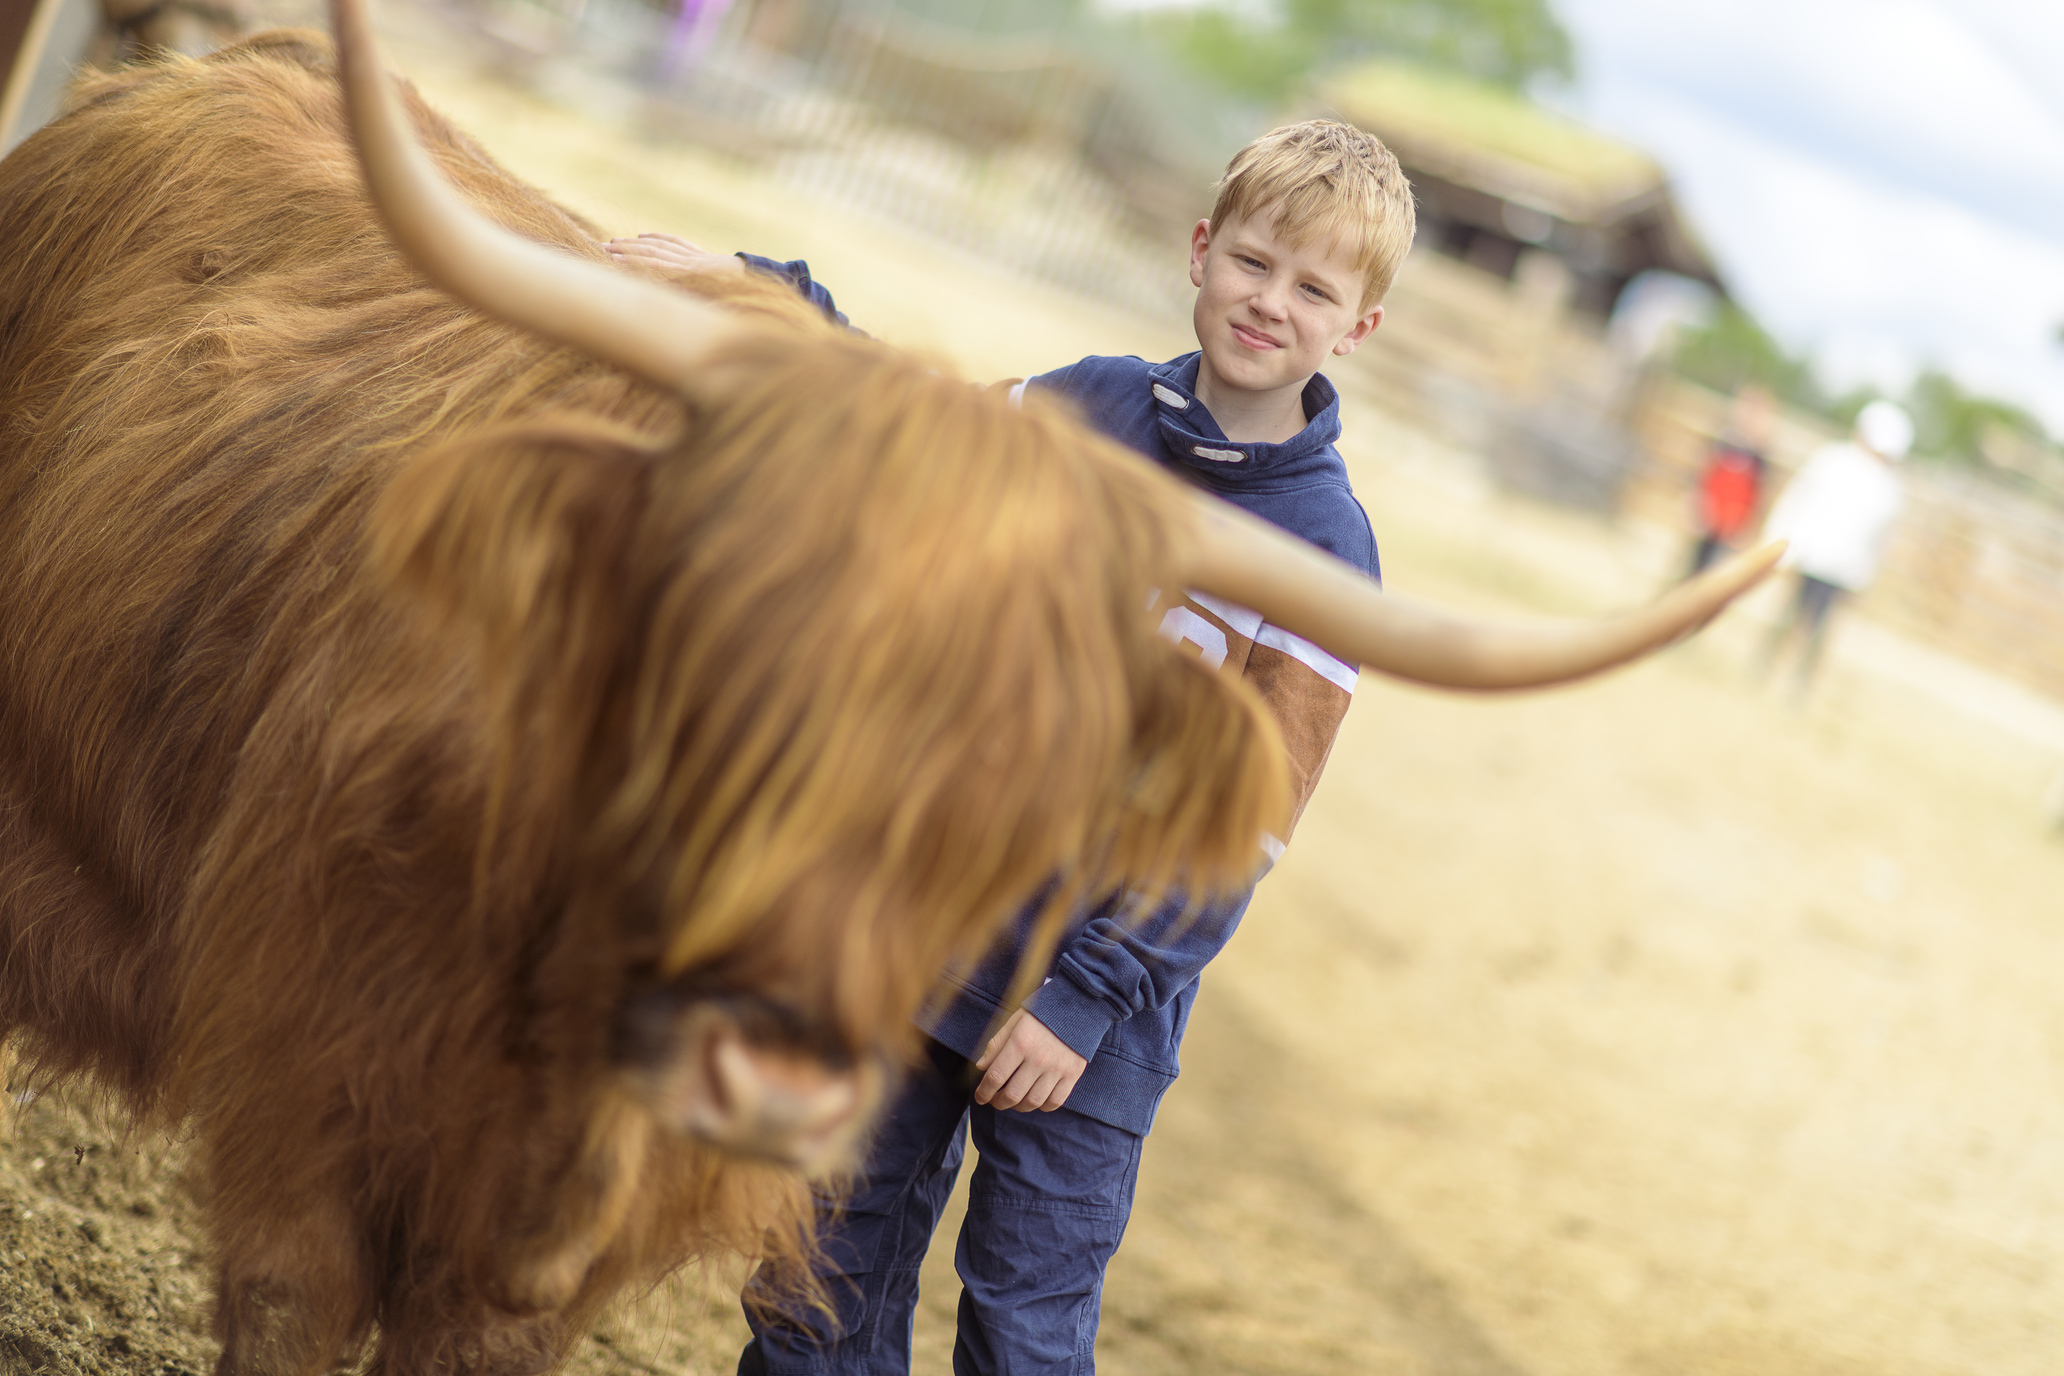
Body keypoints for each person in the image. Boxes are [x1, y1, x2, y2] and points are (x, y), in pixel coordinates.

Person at [609, 117, 1411, 1375]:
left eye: (1316, 287)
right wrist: (764, 296)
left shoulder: (1326, 547)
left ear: (1357, 327)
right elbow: (910, 423)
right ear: (1201, 251)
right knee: (814, 1270)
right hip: (933, 927)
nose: (1271, 302)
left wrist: (1086, 992)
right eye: (1255, 261)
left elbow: (1243, 826)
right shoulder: (1083, 403)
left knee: (1024, 1326)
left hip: (1093, 1016)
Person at [1758, 399, 1912, 697]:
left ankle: (1798, 684)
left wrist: (1862, 576)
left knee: (1819, 628)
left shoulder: (1888, 488)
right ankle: (1765, 663)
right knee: (1790, 613)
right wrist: (1780, 542)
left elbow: (1878, 540)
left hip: (1841, 567)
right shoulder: (1833, 460)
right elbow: (1799, 500)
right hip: (1809, 554)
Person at [1685, 383, 1775, 577]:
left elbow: (1758, 495)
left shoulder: (1759, 457)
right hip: (1709, 516)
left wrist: (1748, 528)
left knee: (1716, 574)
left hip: (1733, 525)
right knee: (1693, 568)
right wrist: (1696, 503)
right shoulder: (1723, 441)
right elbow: (1702, 475)